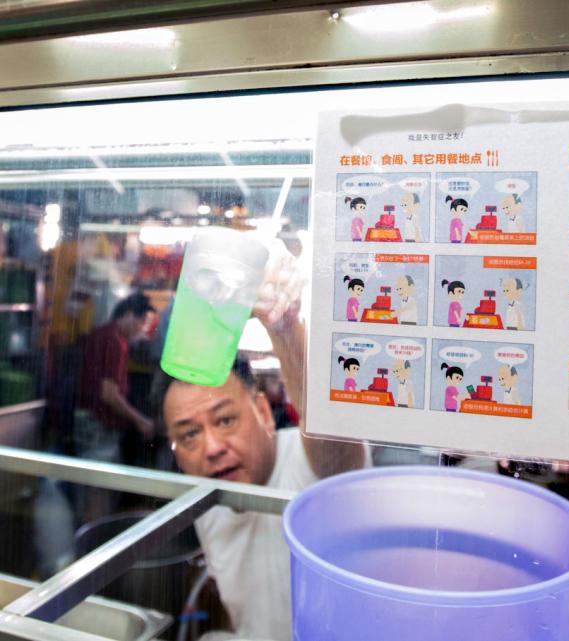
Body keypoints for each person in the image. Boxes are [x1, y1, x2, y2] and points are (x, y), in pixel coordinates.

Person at [155, 243, 366, 641]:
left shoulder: (307, 461)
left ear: (265, 413)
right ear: (176, 453)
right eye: (189, 434)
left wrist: (284, 325)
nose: (213, 447)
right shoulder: (209, 502)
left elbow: (332, 438)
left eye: (225, 419)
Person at [77, 292, 157, 468]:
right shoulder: (115, 342)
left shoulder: (103, 333)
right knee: (100, 486)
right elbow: (109, 394)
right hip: (100, 424)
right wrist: (141, 421)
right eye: (142, 322)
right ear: (128, 314)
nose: (142, 329)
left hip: (89, 420)